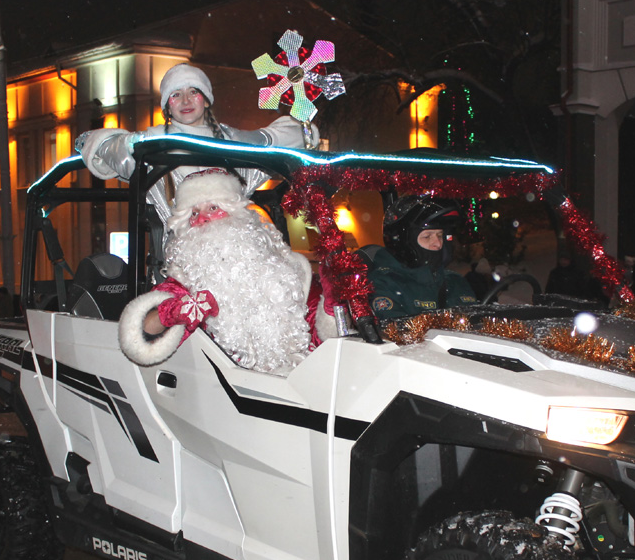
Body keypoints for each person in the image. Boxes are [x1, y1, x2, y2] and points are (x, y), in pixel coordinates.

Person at [117, 168, 336, 373]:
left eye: (213, 208)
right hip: (220, 392)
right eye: (194, 213)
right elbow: (140, 335)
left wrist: (331, 308)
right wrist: (174, 312)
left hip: (296, 385)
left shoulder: (285, 271)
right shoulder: (187, 279)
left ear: (237, 215)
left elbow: (322, 339)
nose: (201, 219)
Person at [75, 63, 314, 229]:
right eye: (176, 95)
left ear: (206, 99)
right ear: (167, 105)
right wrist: (124, 143)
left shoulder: (229, 139)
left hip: (238, 250)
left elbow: (290, 136)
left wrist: (302, 128)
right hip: (185, 258)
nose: (186, 101)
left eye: (193, 92)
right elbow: (99, 144)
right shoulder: (154, 143)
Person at [362, 196, 479, 320]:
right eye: (427, 237)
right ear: (404, 241)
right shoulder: (384, 283)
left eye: (440, 235)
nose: (438, 244)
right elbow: (397, 332)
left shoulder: (455, 281)